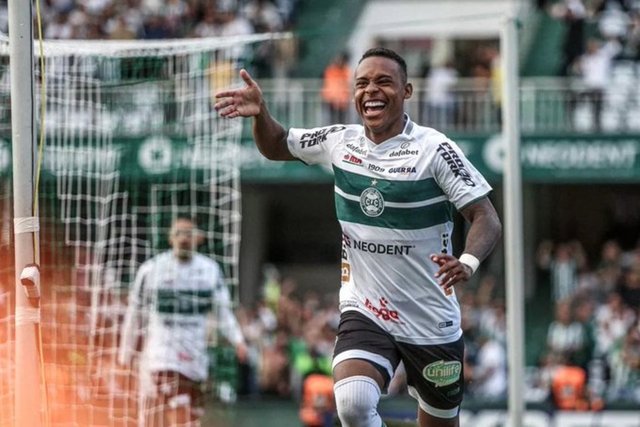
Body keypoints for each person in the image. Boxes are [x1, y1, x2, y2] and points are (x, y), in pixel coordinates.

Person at [215, 47, 502, 427]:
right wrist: (261, 114)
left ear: (407, 91)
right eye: (362, 83)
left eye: (384, 81)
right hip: (366, 308)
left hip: (430, 317)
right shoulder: (340, 140)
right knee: (352, 403)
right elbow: (277, 144)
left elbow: (485, 217)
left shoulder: (435, 149)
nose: (371, 90)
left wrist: (467, 262)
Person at [118, 216, 247, 427]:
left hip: (195, 358)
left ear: (198, 238)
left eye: (189, 233)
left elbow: (223, 312)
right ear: (170, 238)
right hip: (161, 357)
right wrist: (125, 355)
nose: (184, 238)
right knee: (175, 410)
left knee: (189, 419)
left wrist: (238, 340)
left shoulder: (210, 271)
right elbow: (134, 315)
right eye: (178, 233)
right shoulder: (151, 270)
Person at [321, 51, 352, 124]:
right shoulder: (331, 70)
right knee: (331, 120)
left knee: (341, 120)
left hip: (342, 101)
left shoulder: (346, 71)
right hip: (331, 99)